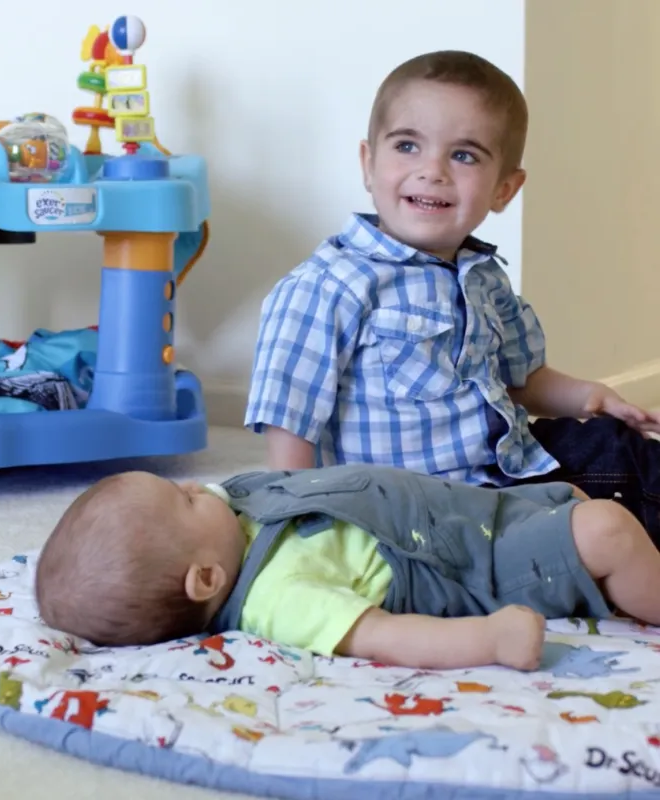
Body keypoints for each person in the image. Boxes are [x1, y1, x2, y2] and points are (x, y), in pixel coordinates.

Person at [243, 49, 660, 545]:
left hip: (502, 469)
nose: (433, 170)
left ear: (504, 189)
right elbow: (289, 421)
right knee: (578, 528)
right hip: (420, 510)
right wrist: (304, 528)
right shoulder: (328, 286)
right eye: (407, 146)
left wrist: (591, 396)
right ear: (368, 163)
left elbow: (522, 380)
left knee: (617, 450)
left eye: (463, 155)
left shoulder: (482, 275)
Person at [35, 464, 660, 671]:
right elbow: (381, 635)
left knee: (580, 501)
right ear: (206, 580)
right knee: (606, 531)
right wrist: (490, 640)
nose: (200, 485)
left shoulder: (235, 520)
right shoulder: (279, 597)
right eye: (185, 498)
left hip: (469, 512)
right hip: (477, 568)